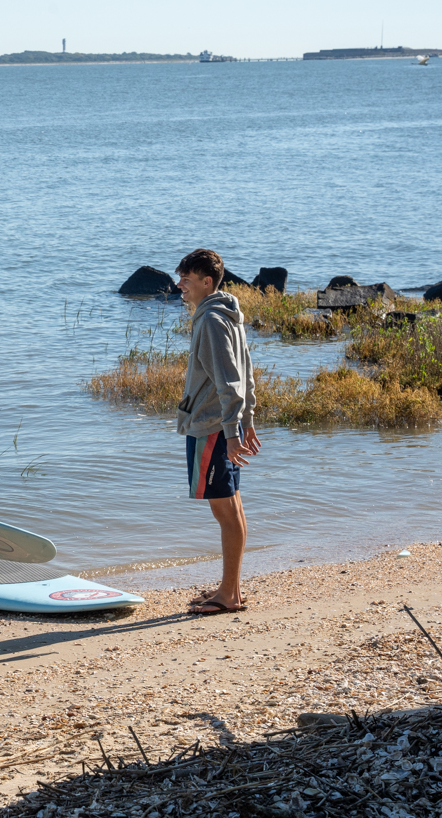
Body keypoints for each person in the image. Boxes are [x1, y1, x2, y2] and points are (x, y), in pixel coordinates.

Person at [175, 249, 261, 616]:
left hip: (213, 427)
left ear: (207, 282)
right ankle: (232, 589)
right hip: (224, 424)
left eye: (187, 280)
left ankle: (228, 595)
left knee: (225, 511)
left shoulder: (210, 320)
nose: (180, 285)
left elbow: (230, 382)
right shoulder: (227, 312)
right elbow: (246, 370)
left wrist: (231, 431)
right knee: (234, 507)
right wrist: (248, 419)